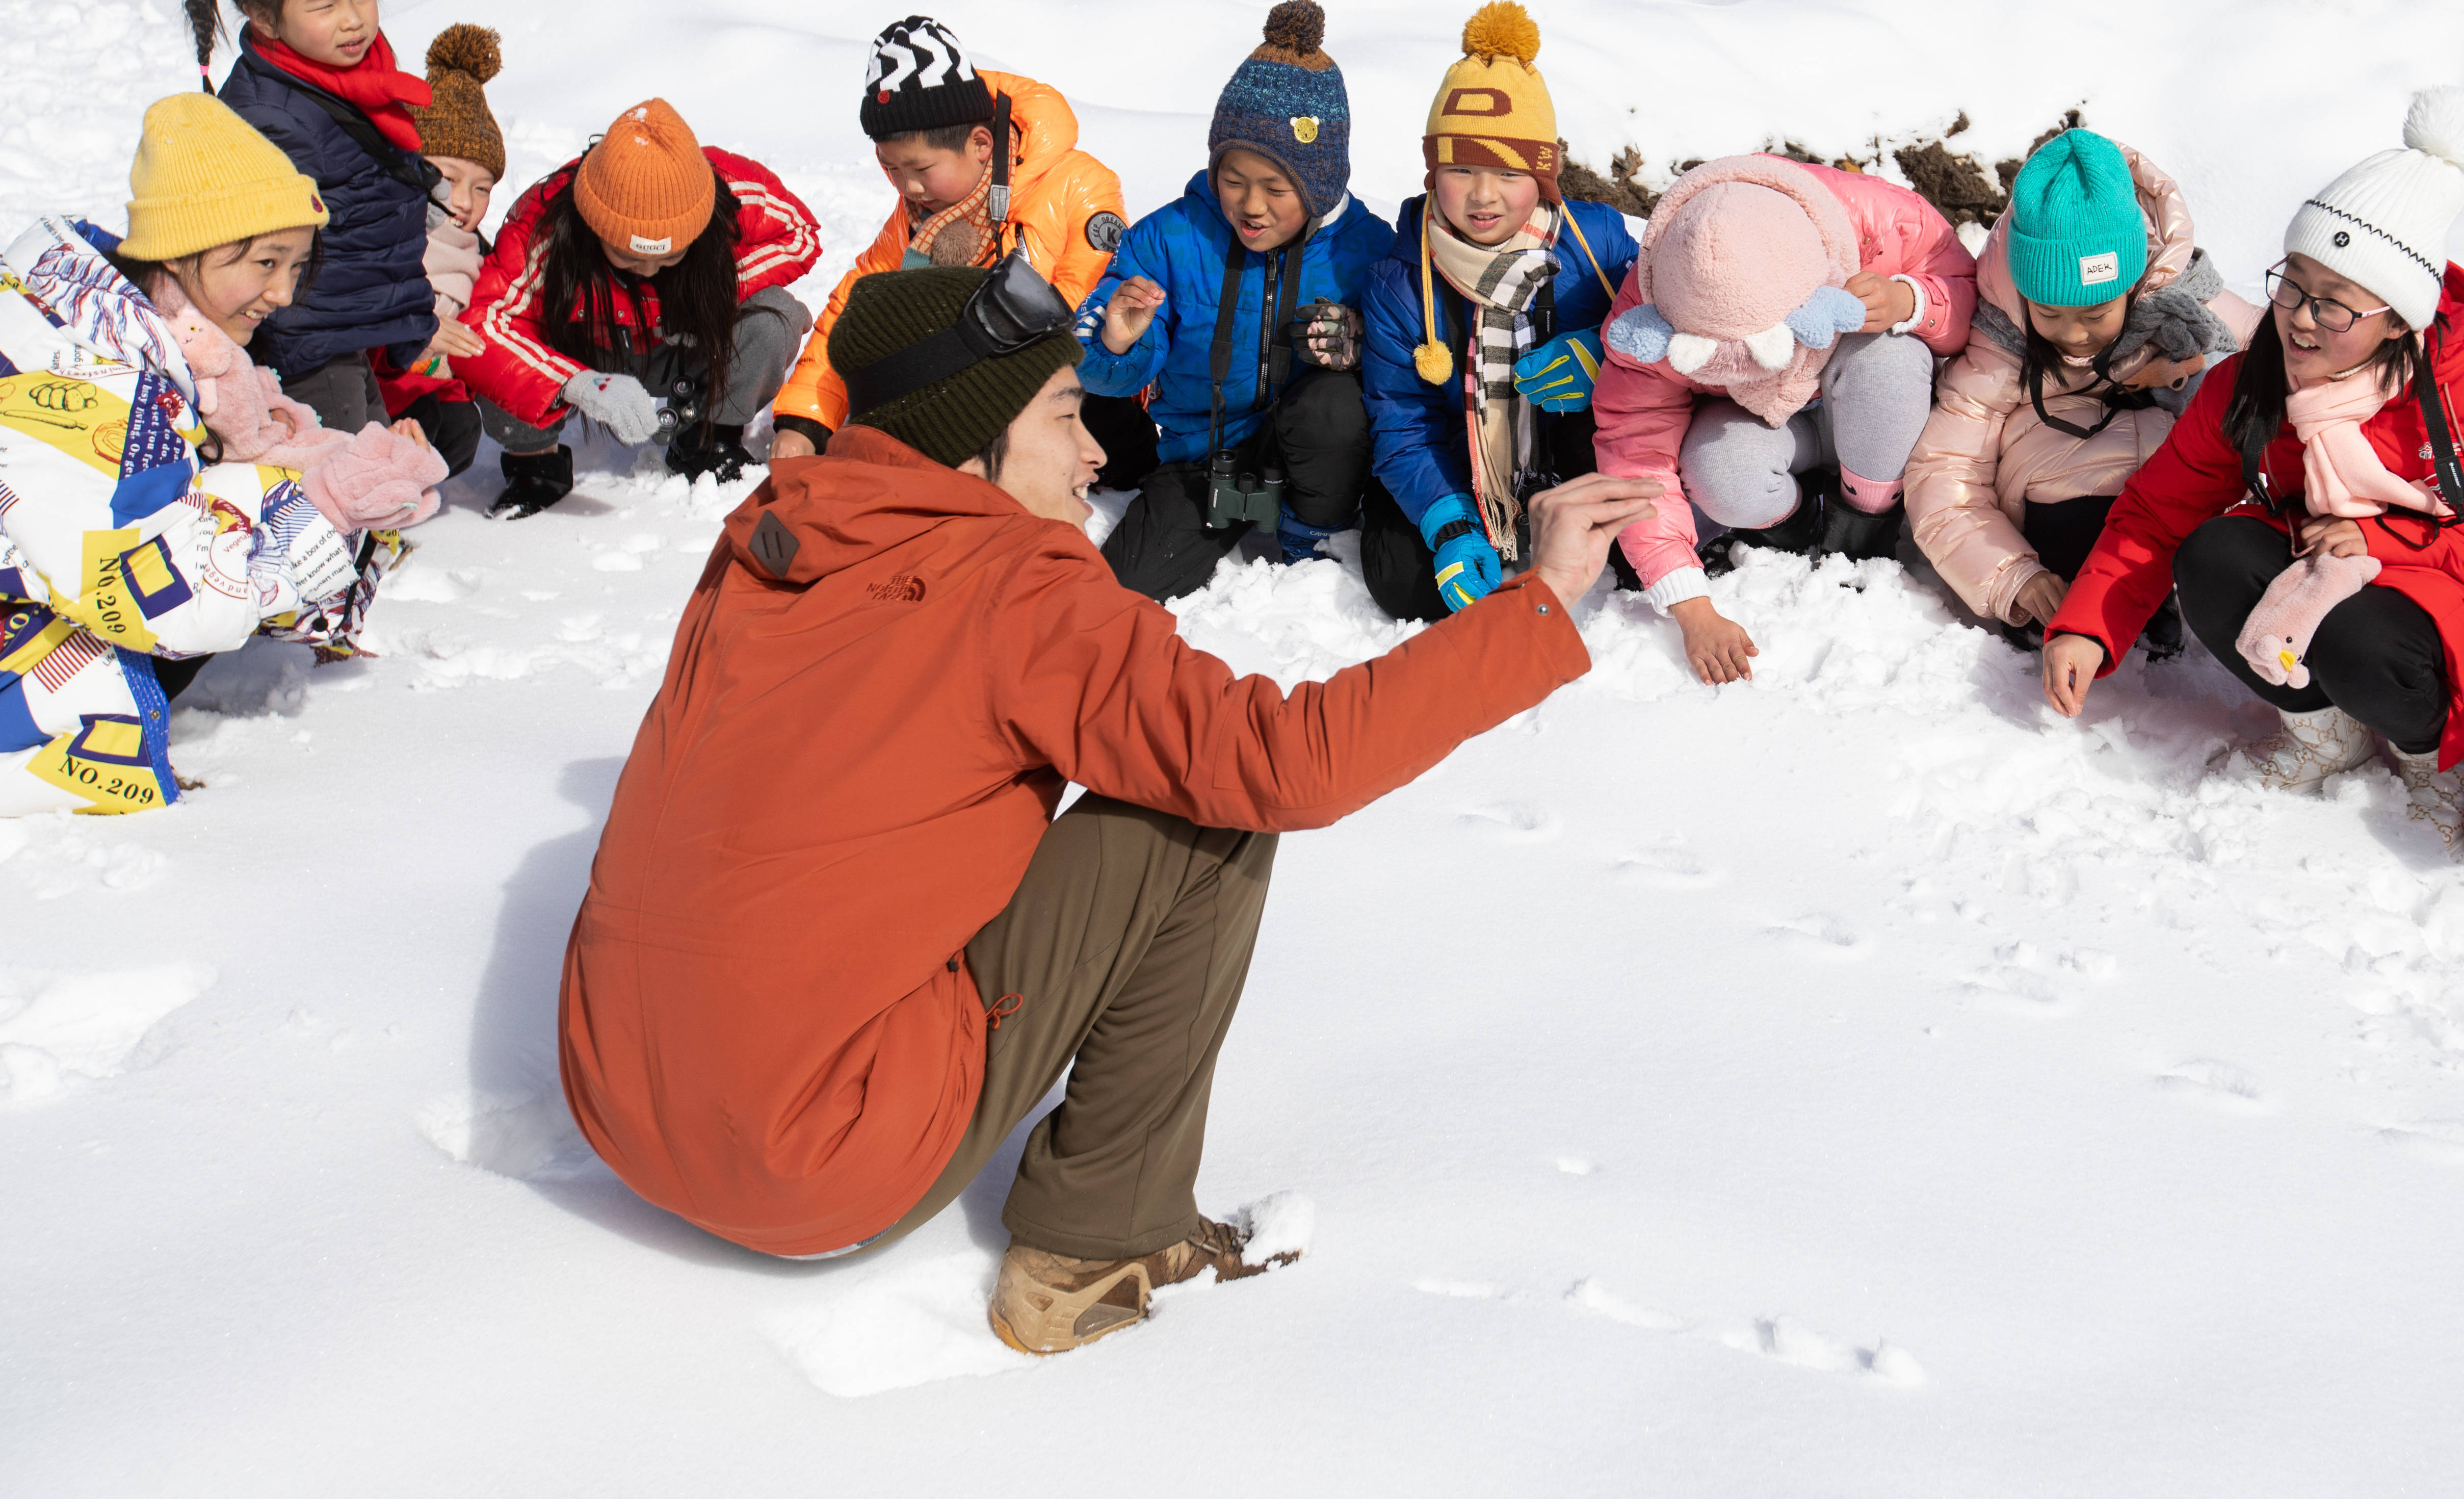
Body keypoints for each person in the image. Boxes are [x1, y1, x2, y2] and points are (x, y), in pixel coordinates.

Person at [555, 261, 1658, 1354]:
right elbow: (1286, 761)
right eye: (1066, 413)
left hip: (621, 1115)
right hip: (820, 1164)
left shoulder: (770, 540)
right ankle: (1098, 1246)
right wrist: (1542, 600)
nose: (1095, 450)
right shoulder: (1017, 583)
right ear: (971, 432)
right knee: (1213, 805)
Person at [2042, 91, 2464, 859]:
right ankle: (2321, 731)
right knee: (2211, 554)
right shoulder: (2256, 380)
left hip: (2450, 591)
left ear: (2398, 318)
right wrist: (2088, 626)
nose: (2298, 318)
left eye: (2333, 307)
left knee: (2363, 642)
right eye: (2292, 285)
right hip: (2312, 564)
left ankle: (2432, 756)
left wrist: (2381, 542)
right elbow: (2157, 512)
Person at [3, 96, 427, 811]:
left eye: (297, 267)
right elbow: (174, 601)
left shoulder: (129, 330)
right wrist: (322, 514)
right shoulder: (95, 382)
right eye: (265, 262)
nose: (283, 294)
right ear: (181, 246)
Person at [1592, 151, 1978, 684]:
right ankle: (1795, 534)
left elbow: (1970, 295)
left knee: (1887, 360)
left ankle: (1865, 532)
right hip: (1769, 432)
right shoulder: (1654, 298)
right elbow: (1634, 448)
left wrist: (1910, 300)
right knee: (1718, 467)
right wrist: (1687, 600)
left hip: (1866, 404)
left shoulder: (1878, 221)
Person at [1074, 0, 1394, 601]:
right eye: (1233, 180)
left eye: (1276, 188)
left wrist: (1360, 344)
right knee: (1127, 586)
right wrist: (1117, 338)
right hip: (1201, 456)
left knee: (1331, 404)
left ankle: (1312, 535)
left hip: (1308, 461)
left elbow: (1407, 359)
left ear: (1319, 184)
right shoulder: (1170, 237)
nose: (1251, 205)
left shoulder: (1368, 250)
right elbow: (1109, 369)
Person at [1904, 127, 2258, 649]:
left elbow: (2271, 349)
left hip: (2174, 484)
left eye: (2096, 313)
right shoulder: (2002, 339)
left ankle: (2164, 595)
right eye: (2049, 312)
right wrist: (2008, 574)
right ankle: (2067, 601)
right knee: (2080, 518)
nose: (2072, 334)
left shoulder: (2179, 299)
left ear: (2134, 282)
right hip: (2058, 489)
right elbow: (1945, 470)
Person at [768, 14, 1146, 483]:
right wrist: (805, 420)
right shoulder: (919, 217)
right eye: (890, 169)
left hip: (1073, 395)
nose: (907, 187)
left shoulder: (1079, 186)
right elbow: (855, 309)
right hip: (968, 402)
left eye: (920, 168)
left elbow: (1084, 311)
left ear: (981, 144)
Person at [1356, 2, 1640, 621]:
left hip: (1570, 458)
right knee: (1405, 586)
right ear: (1433, 174)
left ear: (1542, 177)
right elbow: (1401, 422)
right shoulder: (1399, 279)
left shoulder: (1596, 245)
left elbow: (1673, 312)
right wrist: (1448, 523)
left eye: (1507, 173)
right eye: (1460, 169)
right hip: (1454, 468)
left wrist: (1606, 349)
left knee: (1637, 556)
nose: (1482, 196)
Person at [455, 97, 820, 516]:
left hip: (681, 345)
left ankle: (710, 436)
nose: (648, 271)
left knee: (776, 317)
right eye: (627, 255)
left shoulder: (725, 188)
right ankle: (535, 464)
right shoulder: (547, 224)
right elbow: (484, 324)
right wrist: (577, 383)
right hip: (587, 350)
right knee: (499, 350)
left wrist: (707, 296)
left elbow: (798, 233)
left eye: (668, 257)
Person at [197, 0, 441, 434]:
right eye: (324, 5)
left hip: (347, 327)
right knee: (341, 482)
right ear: (263, 17)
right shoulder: (274, 118)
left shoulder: (349, 76)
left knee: (391, 458)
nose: (353, 19)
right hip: (306, 339)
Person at [379, 23, 510, 477]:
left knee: (456, 428)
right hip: (368, 393)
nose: (464, 202)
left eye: (482, 188)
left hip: (428, 398)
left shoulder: (482, 258)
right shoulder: (383, 236)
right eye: (448, 178)